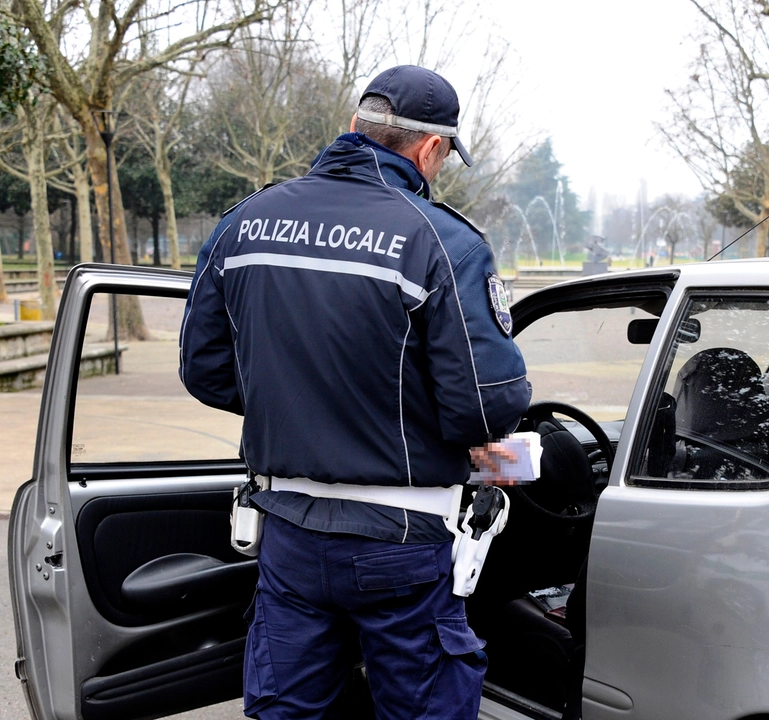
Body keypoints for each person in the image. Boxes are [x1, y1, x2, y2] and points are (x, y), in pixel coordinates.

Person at [179, 65, 530, 720]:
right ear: (431, 149)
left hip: (286, 532)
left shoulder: (243, 225)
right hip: (403, 538)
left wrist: (300, 408)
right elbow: (485, 404)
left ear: (355, 128)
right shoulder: (443, 242)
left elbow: (205, 371)